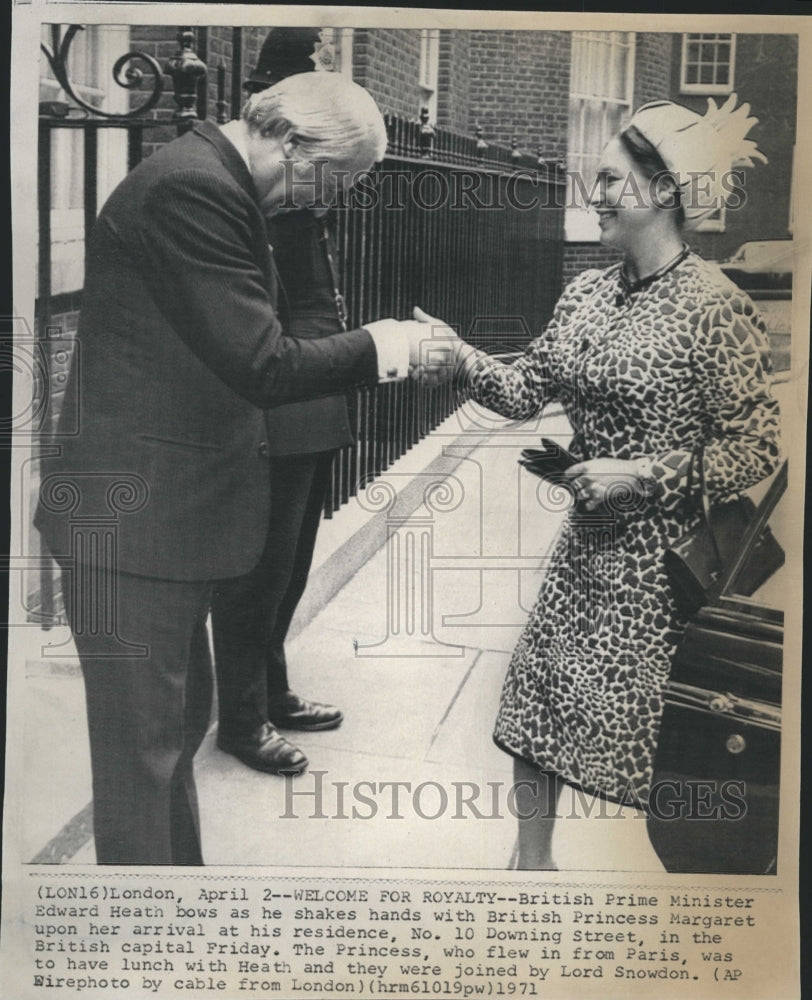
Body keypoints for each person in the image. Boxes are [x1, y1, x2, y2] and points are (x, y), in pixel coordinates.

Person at [34, 72, 422, 865]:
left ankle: (169, 927)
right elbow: (262, 362)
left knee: (167, 747)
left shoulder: (210, 179)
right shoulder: (193, 189)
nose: (321, 201)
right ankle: (146, 956)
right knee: (144, 763)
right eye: (330, 180)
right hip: (133, 534)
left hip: (161, 528)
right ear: (290, 141)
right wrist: (389, 345)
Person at [413, 95, 782, 869]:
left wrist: (641, 474)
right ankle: (532, 865)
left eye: (613, 181)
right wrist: (457, 354)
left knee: (668, 744)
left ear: (665, 191)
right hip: (585, 554)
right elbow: (523, 390)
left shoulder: (716, 307)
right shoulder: (586, 293)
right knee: (532, 710)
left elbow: (757, 447)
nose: (598, 195)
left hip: (666, 572)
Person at [210, 28, 354, 777]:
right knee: (257, 573)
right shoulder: (264, 180)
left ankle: (271, 689)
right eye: (319, 70)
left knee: (289, 567)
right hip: (281, 400)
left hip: (314, 397)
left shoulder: (307, 173)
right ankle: (241, 718)